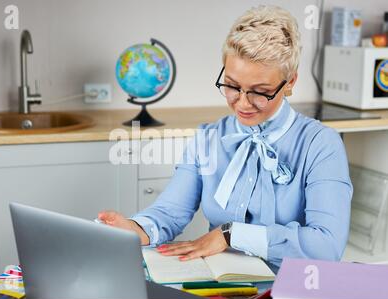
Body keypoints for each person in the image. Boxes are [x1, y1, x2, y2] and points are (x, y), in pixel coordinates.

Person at [98, 5, 352, 270]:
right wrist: (135, 228)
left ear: (289, 82)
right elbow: (170, 212)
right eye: (231, 85)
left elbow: (327, 247)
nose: (242, 103)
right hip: (221, 285)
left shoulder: (322, 145)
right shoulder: (208, 138)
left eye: (260, 91)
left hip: (292, 287)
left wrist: (231, 234)